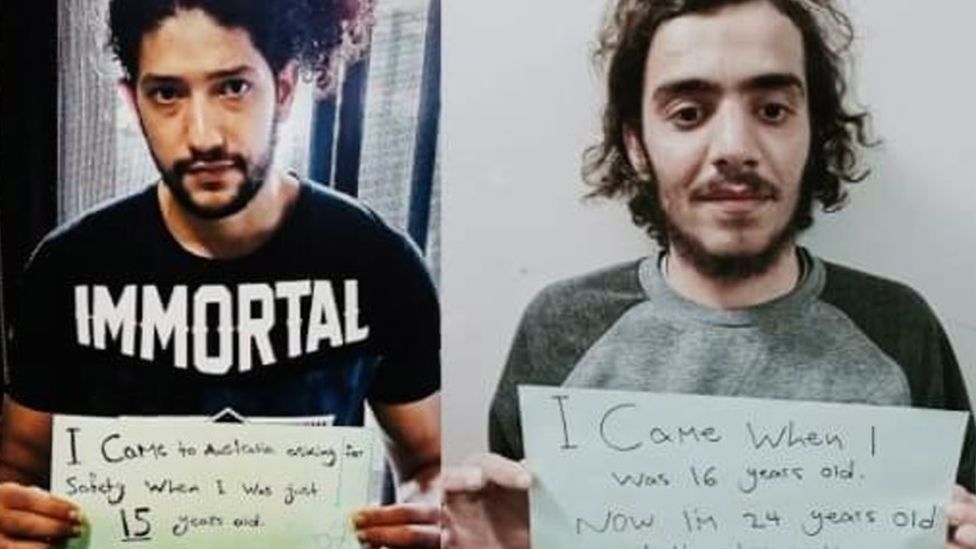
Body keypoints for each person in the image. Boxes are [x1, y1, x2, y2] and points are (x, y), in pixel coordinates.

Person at [442, 0, 976, 547]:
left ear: (814, 131)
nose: (734, 149)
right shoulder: (561, 327)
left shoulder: (899, 328)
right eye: (689, 114)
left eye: (771, 110)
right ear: (636, 143)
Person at [0, 1, 441, 547]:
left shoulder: (378, 263)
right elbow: (19, 465)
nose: (203, 135)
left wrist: (428, 515)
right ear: (131, 100)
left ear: (282, 90)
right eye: (167, 94)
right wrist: (14, 518)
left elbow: (427, 464)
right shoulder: (67, 269)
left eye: (232, 87)